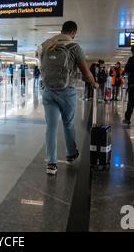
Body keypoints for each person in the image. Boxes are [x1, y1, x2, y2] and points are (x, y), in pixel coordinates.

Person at [40, 21, 99, 175]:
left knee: (51, 127)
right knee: (68, 123)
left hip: (48, 90)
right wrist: (94, 84)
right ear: (73, 33)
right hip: (67, 91)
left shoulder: (46, 44)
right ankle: (71, 154)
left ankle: (51, 164)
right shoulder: (74, 47)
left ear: (61, 30)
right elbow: (86, 72)